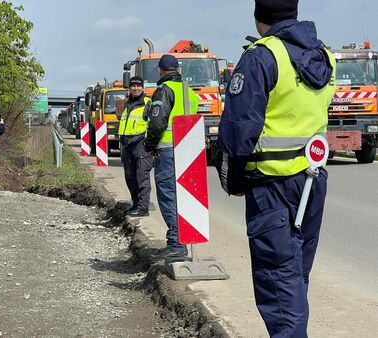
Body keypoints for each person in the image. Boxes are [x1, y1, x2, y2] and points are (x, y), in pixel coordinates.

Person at [216, 1, 336, 337]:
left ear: (259, 18)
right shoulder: (323, 55)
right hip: (312, 180)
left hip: (272, 187)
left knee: (280, 284)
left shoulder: (261, 56)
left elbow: (239, 130)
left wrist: (233, 179)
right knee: (295, 277)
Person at [144, 54, 199, 258]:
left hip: (167, 150)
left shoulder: (164, 90)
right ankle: (183, 239)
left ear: (160, 71)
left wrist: (150, 145)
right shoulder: (190, 93)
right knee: (185, 196)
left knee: (168, 195)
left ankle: (176, 243)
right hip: (188, 151)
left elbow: (158, 123)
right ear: (178, 70)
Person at [118, 76, 153, 217]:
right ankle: (135, 204)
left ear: (142, 88)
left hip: (141, 144)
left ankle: (143, 207)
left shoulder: (147, 103)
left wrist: (149, 143)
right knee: (130, 176)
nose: (136, 88)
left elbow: (152, 124)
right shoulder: (128, 103)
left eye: (138, 86)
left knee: (142, 177)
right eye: (133, 86)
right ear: (130, 88)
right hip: (127, 144)